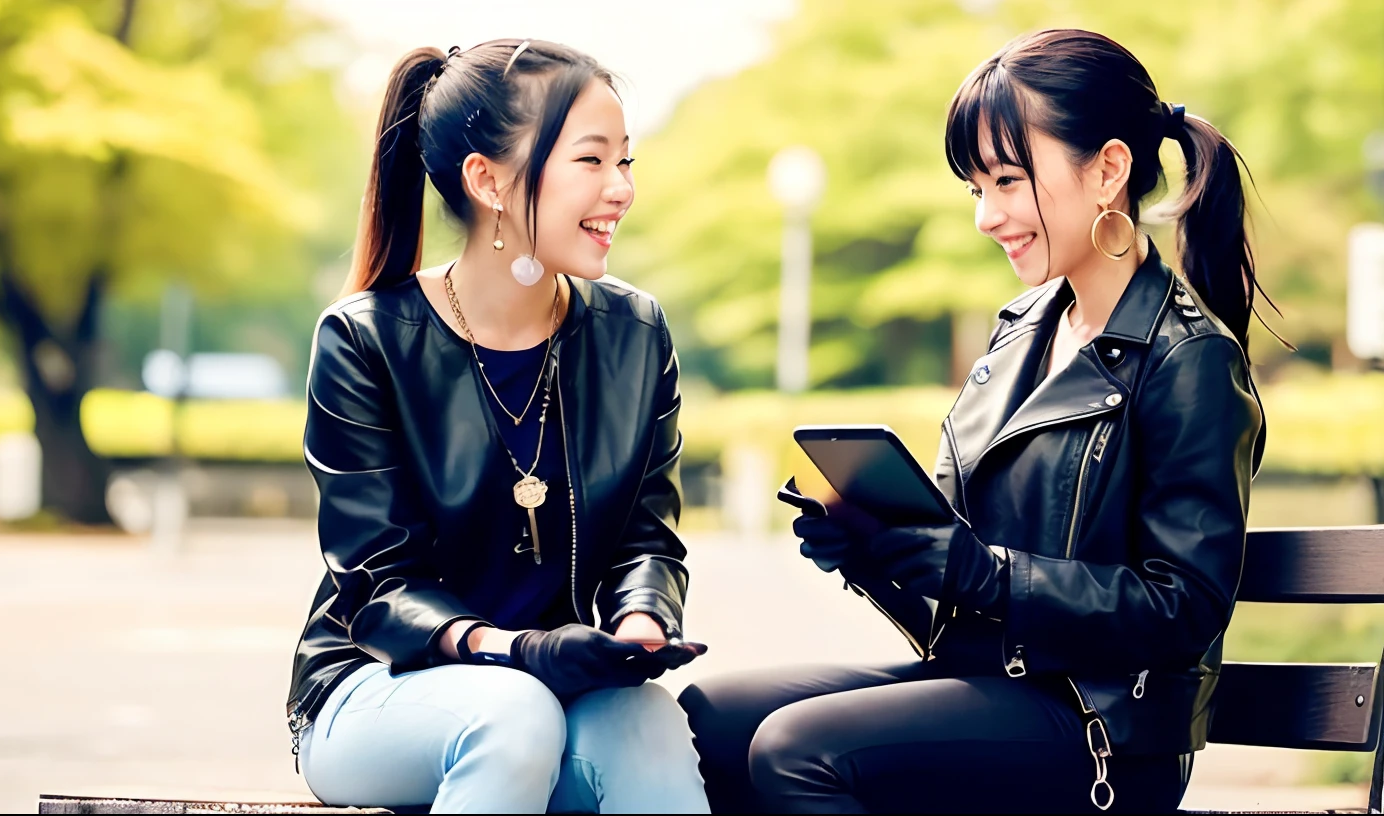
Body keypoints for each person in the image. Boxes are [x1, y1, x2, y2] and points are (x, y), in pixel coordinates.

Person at [679, 29, 1272, 814]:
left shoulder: (1188, 358)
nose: (987, 216)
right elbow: (958, 582)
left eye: (1008, 181)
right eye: (975, 189)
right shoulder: (1022, 329)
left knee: (799, 752)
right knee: (709, 722)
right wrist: (874, 550)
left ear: (1109, 171)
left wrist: (989, 576)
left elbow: (1183, 608)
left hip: (1107, 729)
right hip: (991, 685)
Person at [285, 40, 709, 814]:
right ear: (488, 181)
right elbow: (378, 584)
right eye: (591, 161)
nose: (621, 189)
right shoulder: (364, 340)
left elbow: (648, 539)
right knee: (511, 714)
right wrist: (511, 651)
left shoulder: (634, 333)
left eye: (626, 161)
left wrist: (640, 626)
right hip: (376, 684)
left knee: (647, 722)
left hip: (554, 687)